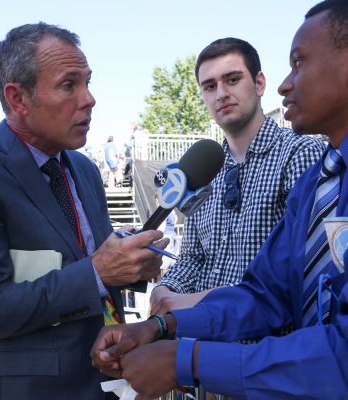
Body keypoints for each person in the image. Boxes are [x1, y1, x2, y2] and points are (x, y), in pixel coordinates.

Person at [91, 1, 348, 398]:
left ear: (257, 84)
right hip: (207, 365)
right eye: (209, 86)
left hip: (271, 370)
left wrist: (186, 339)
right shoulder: (210, 169)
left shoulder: (302, 158)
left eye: (299, 62)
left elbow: (321, 330)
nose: (286, 83)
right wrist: (162, 317)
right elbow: (261, 290)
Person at [0, 22, 169, 400]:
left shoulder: (83, 168)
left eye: (88, 82)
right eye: (69, 85)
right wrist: (99, 272)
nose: (90, 99)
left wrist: (129, 269)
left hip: (106, 385)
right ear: (18, 99)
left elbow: (88, 266)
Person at [150, 37, 325, 315]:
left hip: (264, 346)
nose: (220, 94)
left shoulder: (299, 153)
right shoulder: (202, 169)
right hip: (197, 339)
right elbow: (194, 258)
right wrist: (163, 290)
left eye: (232, 80)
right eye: (209, 86)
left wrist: (198, 302)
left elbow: (299, 270)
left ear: (259, 84)